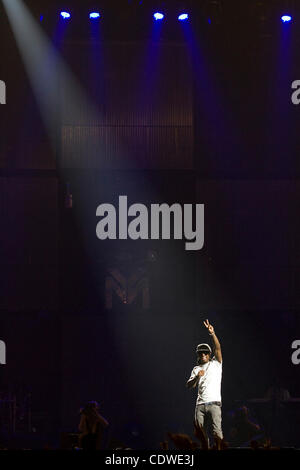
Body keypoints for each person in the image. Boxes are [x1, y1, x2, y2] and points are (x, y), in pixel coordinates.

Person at [186, 319, 223, 447]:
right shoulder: (196, 369)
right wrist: (197, 377)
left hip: (214, 403)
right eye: (201, 352)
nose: (203, 354)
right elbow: (189, 385)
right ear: (198, 354)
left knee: (216, 431)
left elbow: (218, 348)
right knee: (200, 433)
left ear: (209, 354)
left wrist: (212, 334)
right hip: (200, 404)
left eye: (205, 352)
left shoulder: (216, 364)